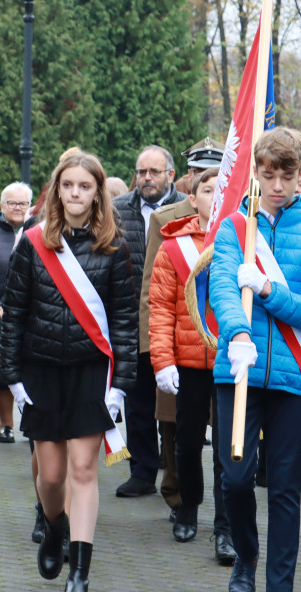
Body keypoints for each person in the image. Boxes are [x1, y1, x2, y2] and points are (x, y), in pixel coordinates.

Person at [210, 127, 301, 592]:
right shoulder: (232, 230)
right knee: (236, 478)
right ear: (256, 174)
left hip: (290, 379)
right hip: (238, 369)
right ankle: (245, 554)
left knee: (283, 486)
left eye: (287, 174)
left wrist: (267, 289)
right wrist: (237, 331)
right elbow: (221, 284)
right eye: (268, 174)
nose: (278, 184)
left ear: (300, 175)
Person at [1, 151, 137, 592]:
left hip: (90, 373)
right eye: (68, 185)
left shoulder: (116, 247)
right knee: (52, 475)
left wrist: (120, 384)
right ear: (57, 190)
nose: (76, 193)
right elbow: (13, 316)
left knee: (83, 471)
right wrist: (12, 377)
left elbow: (123, 323)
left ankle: (79, 577)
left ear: (98, 192)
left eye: (85, 186)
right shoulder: (34, 243)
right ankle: (54, 526)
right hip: (40, 372)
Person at [140, 137, 229, 526]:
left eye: (220, 189)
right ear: (193, 198)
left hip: (230, 360)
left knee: (229, 448)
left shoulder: (245, 243)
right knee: (188, 443)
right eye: (206, 189)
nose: (214, 195)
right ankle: (188, 509)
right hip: (188, 361)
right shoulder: (172, 247)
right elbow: (158, 309)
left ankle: (226, 524)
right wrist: (162, 361)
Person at [112, 145, 185, 499]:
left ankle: (176, 474)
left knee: (172, 404)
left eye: (154, 172)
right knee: (137, 398)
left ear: (170, 175)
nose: (146, 179)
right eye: (142, 172)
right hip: (131, 317)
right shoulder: (117, 210)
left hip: (177, 318)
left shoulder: (187, 207)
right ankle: (142, 470)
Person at [0, 181, 32, 444]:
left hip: (31, 312)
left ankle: (31, 422)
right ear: (1, 206)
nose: (17, 208)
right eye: (12, 203)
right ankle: (6, 424)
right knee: (3, 371)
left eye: (22, 203)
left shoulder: (37, 229)